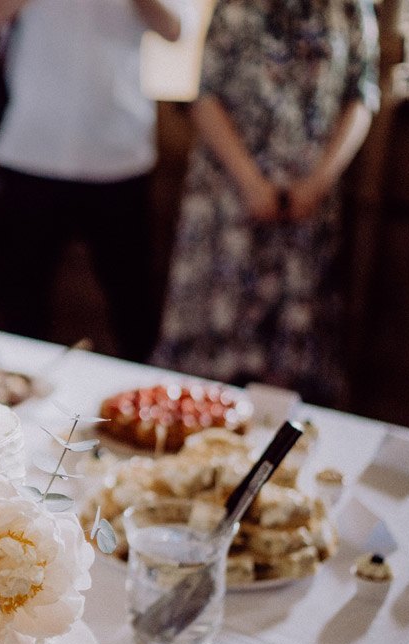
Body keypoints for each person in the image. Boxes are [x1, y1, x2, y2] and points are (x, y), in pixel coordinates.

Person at [152, 0, 379, 406]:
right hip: (229, 199)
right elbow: (206, 96)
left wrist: (318, 184)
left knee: (292, 352)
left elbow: (361, 97)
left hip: (309, 196)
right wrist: (251, 183)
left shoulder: (349, 8)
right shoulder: (234, 6)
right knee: (214, 354)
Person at [0, 0, 184, 363]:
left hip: (118, 152)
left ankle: (144, 406)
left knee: (133, 307)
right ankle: (14, 408)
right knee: (21, 307)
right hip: (32, 147)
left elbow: (176, 28)